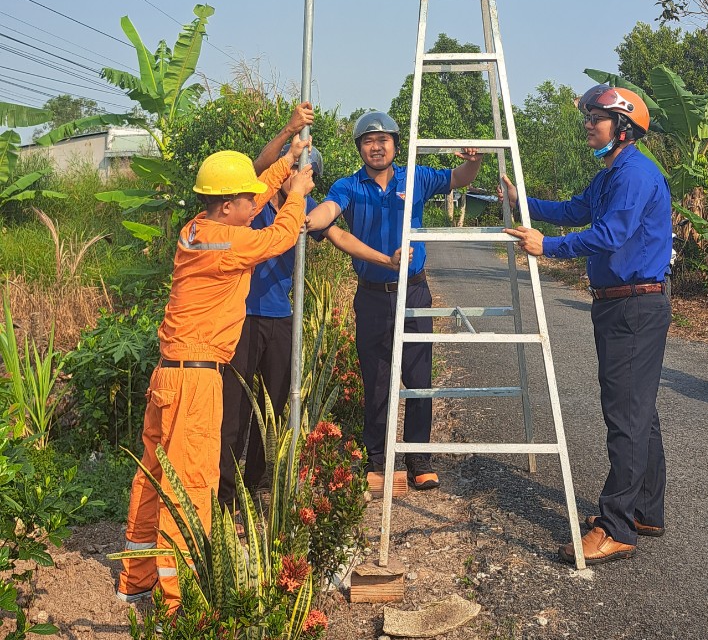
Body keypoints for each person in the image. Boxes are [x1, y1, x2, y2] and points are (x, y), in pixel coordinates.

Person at [117, 117, 314, 609]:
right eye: (247, 201)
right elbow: (281, 235)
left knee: (154, 477)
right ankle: (178, 601)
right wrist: (299, 191)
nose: (255, 206)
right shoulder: (232, 244)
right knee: (192, 485)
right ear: (228, 206)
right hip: (197, 381)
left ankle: (137, 577)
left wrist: (287, 161)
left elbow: (257, 199)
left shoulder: (200, 231)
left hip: (170, 374)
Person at [502, 85, 673, 566]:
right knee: (641, 413)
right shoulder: (611, 175)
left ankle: (616, 526)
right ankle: (644, 509)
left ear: (623, 127)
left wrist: (548, 248)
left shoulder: (635, 173)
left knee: (626, 417)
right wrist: (522, 201)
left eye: (596, 117)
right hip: (623, 305)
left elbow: (611, 234)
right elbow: (574, 211)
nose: (587, 124)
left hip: (634, 308)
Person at [218, 140, 408, 507]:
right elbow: (257, 168)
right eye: (297, 171)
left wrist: (386, 260)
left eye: (309, 175)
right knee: (235, 409)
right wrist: (288, 135)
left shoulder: (303, 209)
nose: (301, 178)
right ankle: (223, 494)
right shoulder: (253, 203)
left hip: (280, 318)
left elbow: (340, 236)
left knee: (270, 409)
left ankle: (253, 486)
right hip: (241, 316)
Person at [305, 111, 483, 493]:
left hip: (413, 291)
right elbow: (329, 210)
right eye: (368, 141)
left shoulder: (415, 176)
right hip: (371, 296)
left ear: (395, 145)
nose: (376, 146)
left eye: (383, 140)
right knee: (377, 379)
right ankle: (378, 461)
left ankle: (419, 460)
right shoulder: (349, 186)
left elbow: (458, 178)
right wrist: (308, 219)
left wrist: (473, 160)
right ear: (360, 149)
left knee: (418, 377)